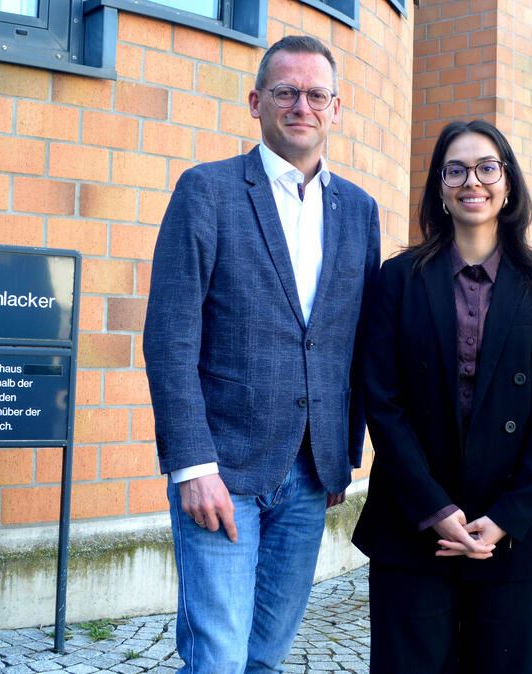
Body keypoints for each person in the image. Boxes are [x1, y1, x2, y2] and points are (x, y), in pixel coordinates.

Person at [142, 35, 380, 674]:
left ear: (336, 108)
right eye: (285, 92)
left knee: (268, 656)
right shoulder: (208, 191)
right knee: (217, 656)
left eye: (315, 94)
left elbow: (357, 342)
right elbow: (169, 339)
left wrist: (342, 454)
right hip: (222, 471)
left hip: (310, 472)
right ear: (256, 102)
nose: (301, 105)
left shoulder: (358, 210)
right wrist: (191, 466)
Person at [352, 119, 532, 674]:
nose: (471, 181)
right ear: (439, 187)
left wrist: (504, 516)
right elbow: (382, 399)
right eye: (455, 169)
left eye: (486, 167)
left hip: (509, 531)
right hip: (414, 522)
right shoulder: (398, 278)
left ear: (508, 183)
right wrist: (435, 508)